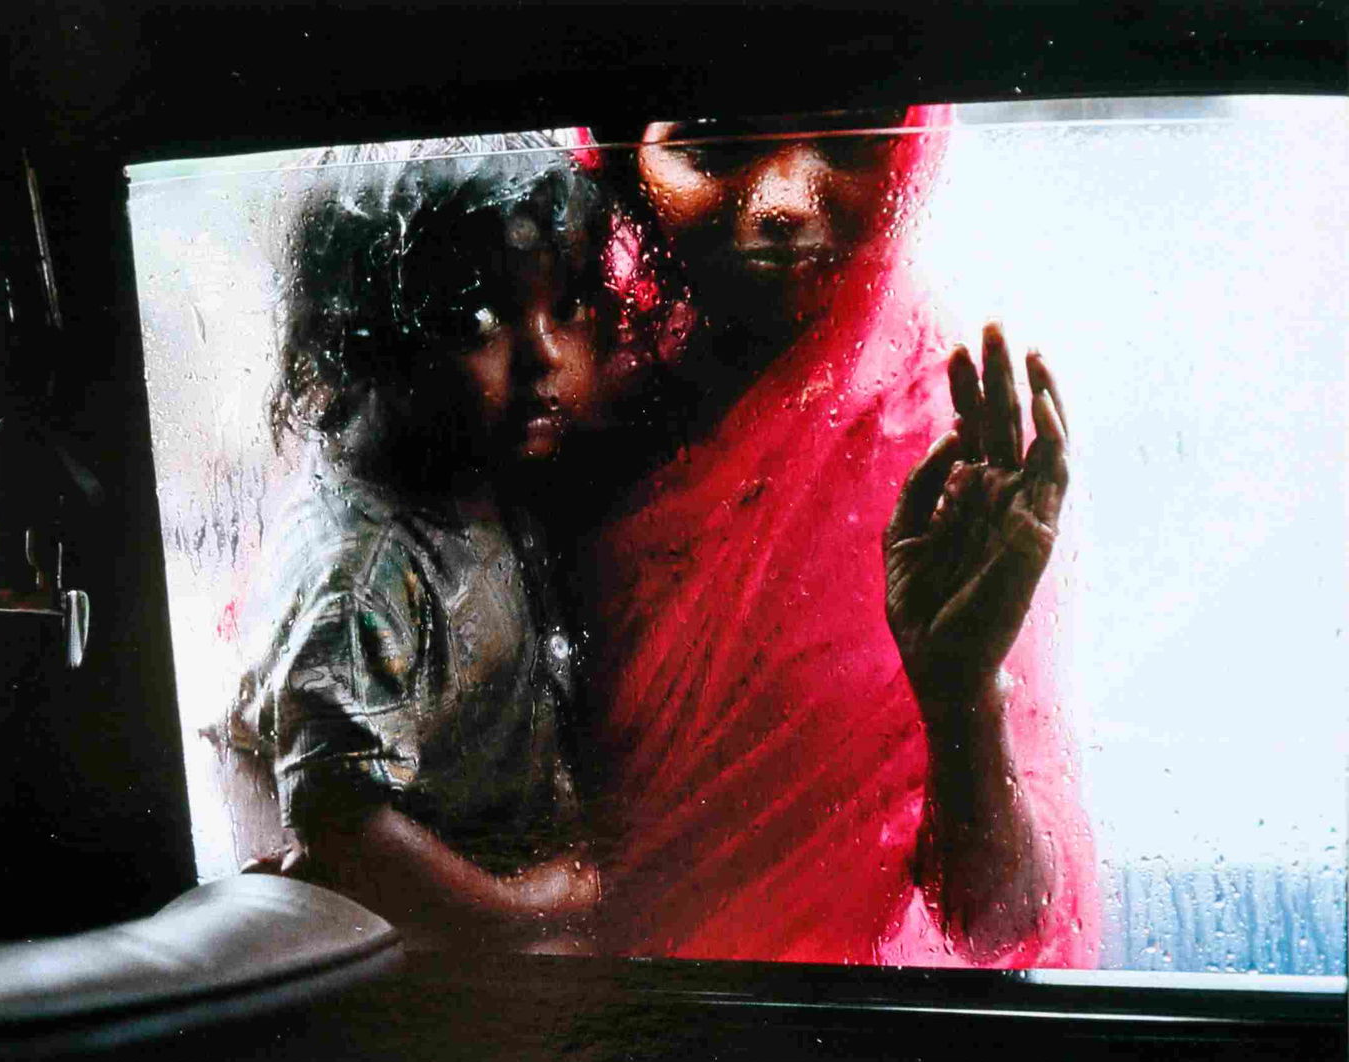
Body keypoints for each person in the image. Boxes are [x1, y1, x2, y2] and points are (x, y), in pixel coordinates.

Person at [569, 107, 1099, 965]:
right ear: (621, 158)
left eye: (850, 143)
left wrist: (962, 694)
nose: (784, 199)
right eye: (710, 144)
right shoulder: (549, 376)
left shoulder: (946, 450)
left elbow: (1001, 924)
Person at [211, 136, 609, 951]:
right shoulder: (364, 572)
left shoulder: (476, 469)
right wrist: (531, 904)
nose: (545, 355)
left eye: (564, 306)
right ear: (363, 344)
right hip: (435, 963)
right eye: (477, 321)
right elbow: (342, 829)